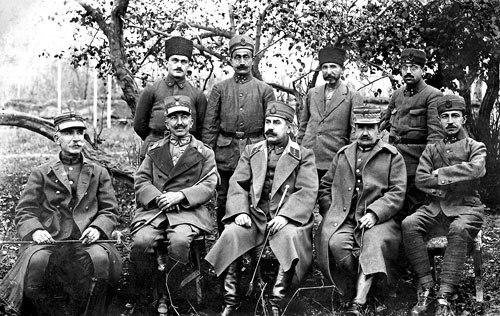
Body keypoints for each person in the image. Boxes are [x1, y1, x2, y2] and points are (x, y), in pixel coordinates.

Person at [0, 112, 122, 316]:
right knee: (36, 264)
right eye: (68, 133)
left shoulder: (99, 172)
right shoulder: (41, 172)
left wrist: (97, 228)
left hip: (86, 240)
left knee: (101, 260)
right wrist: (36, 230)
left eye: (80, 132)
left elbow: (110, 210)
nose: (76, 138)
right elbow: (25, 210)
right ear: (56, 138)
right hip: (51, 239)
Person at [205, 101, 318, 316]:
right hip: (255, 216)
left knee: (287, 239)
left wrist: (286, 216)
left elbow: (307, 191)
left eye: (277, 123)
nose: (270, 127)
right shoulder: (252, 151)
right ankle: (231, 301)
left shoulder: (303, 155)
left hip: (287, 218)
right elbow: (237, 184)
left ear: (290, 128)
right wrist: (240, 212)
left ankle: (276, 301)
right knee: (231, 234)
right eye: (268, 122)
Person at [316, 105, 407, 316]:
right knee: (336, 244)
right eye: (360, 127)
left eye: (371, 127)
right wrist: (333, 211)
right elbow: (325, 186)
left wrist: (375, 213)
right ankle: (350, 287)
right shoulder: (343, 155)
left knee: (373, 244)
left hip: (381, 221)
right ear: (354, 128)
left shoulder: (392, 156)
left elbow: (397, 192)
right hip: (345, 219)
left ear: (379, 130)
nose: (365, 133)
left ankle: (358, 302)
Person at [130, 95, 217, 313]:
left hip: (188, 212)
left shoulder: (205, 152)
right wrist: (158, 197)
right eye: (174, 118)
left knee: (179, 242)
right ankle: (149, 296)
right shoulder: (154, 150)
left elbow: (210, 183)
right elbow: (141, 180)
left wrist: (181, 196)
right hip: (156, 211)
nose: (179, 122)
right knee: (141, 241)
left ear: (192, 121)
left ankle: (177, 298)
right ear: (166, 123)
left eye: (184, 117)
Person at [402, 95, 486, 316]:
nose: (450, 121)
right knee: (409, 223)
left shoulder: (475, 146)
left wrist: (440, 173)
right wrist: (453, 181)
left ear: (464, 119)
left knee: (458, 229)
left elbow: (476, 170)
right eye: (445, 117)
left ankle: (445, 295)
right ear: (439, 120)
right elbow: (420, 179)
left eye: (455, 116)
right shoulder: (432, 149)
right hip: (435, 207)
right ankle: (427, 287)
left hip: (467, 207)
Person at [202, 34, 275, 234]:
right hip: (225, 153)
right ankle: (225, 245)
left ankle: (254, 247)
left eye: (246, 57)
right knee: (224, 198)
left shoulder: (265, 90)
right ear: (230, 59)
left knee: (256, 196)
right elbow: (210, 125)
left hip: (255, 151)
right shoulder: (219, 89)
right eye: (237, 57)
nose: (242, 61)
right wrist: (208, 157)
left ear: (253, 59)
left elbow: (273, 127)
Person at [381, 48, 444, 220]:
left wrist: (428, 165)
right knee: (393, 203)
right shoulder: (396, 94)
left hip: (416, 161)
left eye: (414, 67)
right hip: (393, 157)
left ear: (423, 70)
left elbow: (435, 135)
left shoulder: (432, 95)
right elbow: (385, 124)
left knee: (413, 207)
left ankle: (411, 243)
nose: (408, 71)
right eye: (404, 67)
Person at [134, 36, 207, 162]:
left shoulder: (197, 95)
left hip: (186, 150)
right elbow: (139, 125)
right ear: (166, 62)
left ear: (189, 65)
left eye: (183, 62)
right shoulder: (151, 90)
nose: (179, 65)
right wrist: (156, 138)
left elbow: (202, 129)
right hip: (155, 147)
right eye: (175, 60)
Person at [298, 46, 362, 181]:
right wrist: (300, 148)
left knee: (329, 198)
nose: (329, 71)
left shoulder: (352, 96)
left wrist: (348, 158)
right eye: (325, 67)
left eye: (333, 67)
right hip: (309, 157)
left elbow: (355, 132)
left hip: (334, 158)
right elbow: (303, 125)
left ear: (342, 70)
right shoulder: (312, 93)